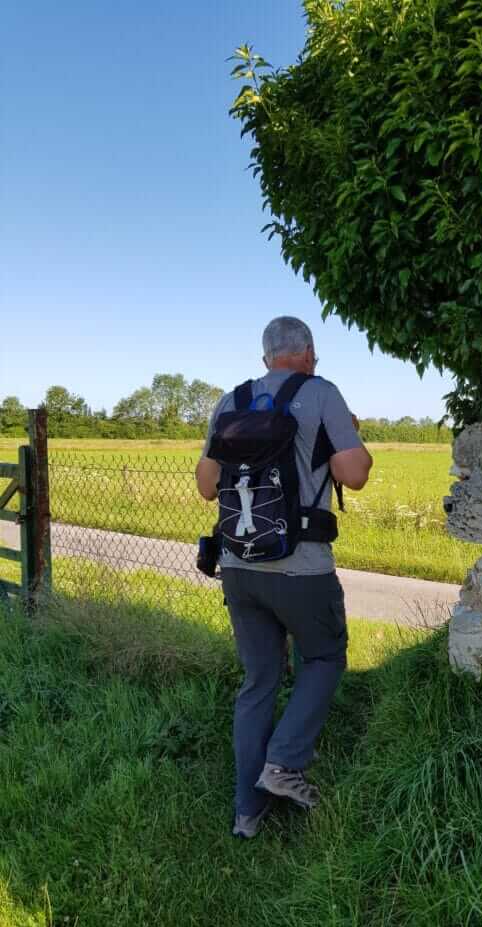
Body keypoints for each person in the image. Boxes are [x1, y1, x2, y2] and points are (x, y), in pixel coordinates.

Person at [195, 316, 372, 839]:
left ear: (265, 356)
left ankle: (247, 813)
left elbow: (207, 487)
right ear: (310, 352)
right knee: (323, 656)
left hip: (238, 567)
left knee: (258, 683)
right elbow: (355, 475)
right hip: (301, 567)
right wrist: (351, 436)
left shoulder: (230, 401)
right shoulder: (321, 393)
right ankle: (285, 761)